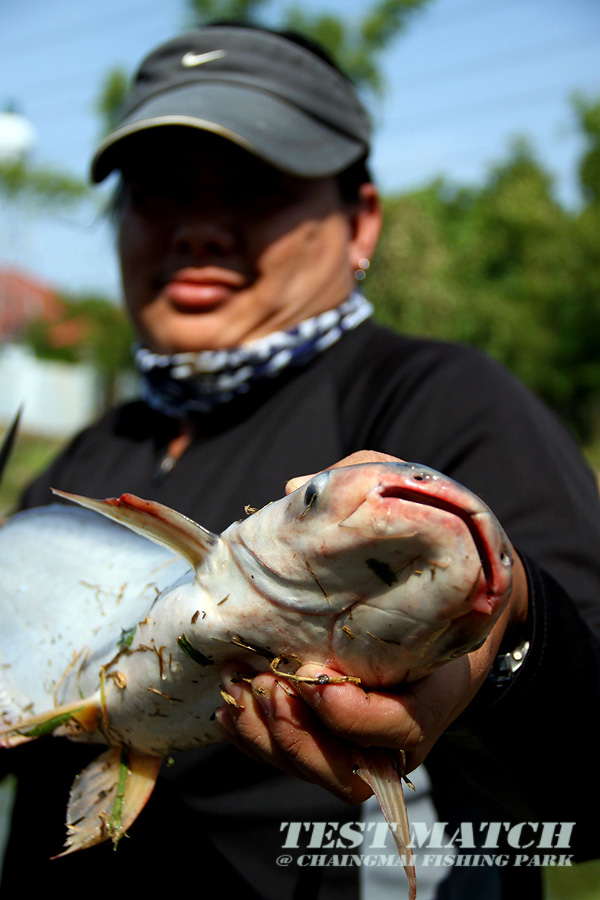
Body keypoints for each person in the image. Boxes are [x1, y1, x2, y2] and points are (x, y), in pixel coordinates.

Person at [2, 23, 600, 899]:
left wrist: (510, 640)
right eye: (159, 190)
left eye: (255, 185)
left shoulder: (441, 399)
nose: (200, 226)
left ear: (360, 220)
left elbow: (583, 793)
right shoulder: (98, 448)